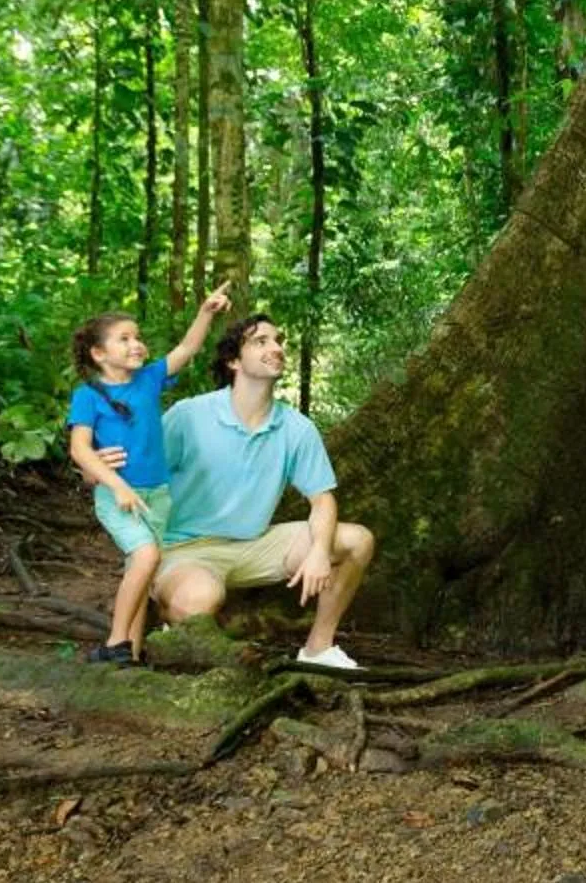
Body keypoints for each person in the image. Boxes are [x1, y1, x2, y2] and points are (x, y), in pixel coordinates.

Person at [118, 312, 375, 672]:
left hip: (254, 546)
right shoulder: (189, 415)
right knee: (198, 599)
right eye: (261, 341)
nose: (276, 348)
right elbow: (139, 476)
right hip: (183, 549)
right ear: (234, 361)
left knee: (356, 540)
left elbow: (322, 499)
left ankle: (318, 648)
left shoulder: (296, 428)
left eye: (278, 341)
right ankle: (160, 615)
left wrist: (318, 550)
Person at [64, 285, 231, 666]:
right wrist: (118, 486)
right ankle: (115, 643)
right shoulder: (88, 394)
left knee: (141, 565)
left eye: (137, 337)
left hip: (158, 494)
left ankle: (132, 653)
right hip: (119, 495)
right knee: (146, 554)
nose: (136, 344)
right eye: (124, 339)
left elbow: (186, 350)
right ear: (99, 353)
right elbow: (80, 449)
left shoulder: (148, 380)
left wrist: (206, 312)